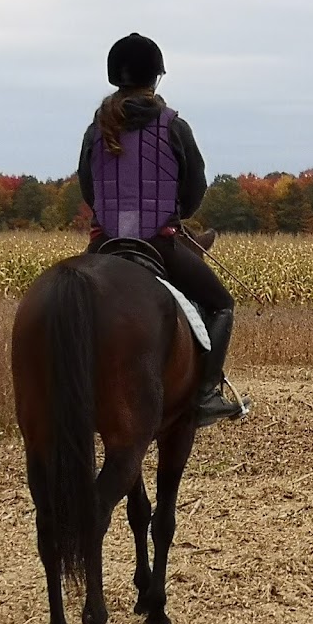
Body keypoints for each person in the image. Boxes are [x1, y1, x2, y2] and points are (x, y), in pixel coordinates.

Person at [77, 32, 244, 426]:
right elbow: (195, 185)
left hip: (104, 246)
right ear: (156, 78)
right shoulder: (173, 126)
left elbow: (88, 186)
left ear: (114, 77)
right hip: (158, 242)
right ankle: (205, 395)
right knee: (222, 305)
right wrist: (177, 216)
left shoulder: (95, 128)